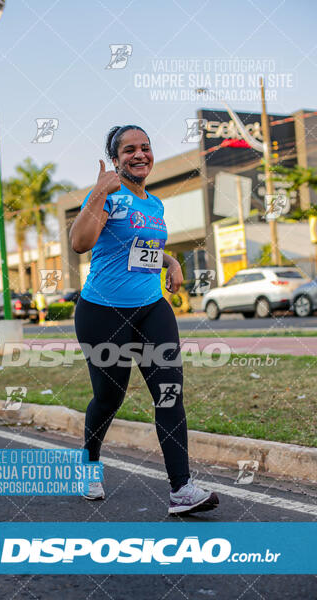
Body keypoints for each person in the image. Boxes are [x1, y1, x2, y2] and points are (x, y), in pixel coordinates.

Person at [69, 125, 219, 515]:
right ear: (116, 159)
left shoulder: (154, 204)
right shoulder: (107, 194)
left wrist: (169, 261)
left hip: (152, 309)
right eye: (130, 149)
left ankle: (181, 489)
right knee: (109, 397)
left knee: (170, 392)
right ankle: (89, 463)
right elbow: (80, 243)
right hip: (102, 313)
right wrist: (100, 190)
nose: (140, 155)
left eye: (146, 148)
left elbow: (143, 248)